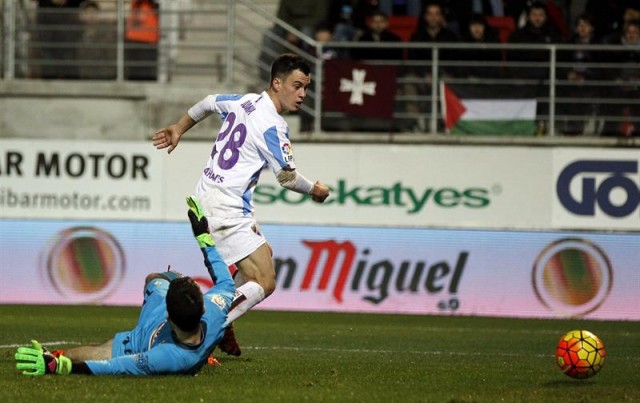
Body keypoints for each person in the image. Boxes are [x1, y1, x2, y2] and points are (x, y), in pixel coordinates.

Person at [152, 53, 331, 356]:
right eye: (297, 86)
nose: (302, 94)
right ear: (277, 83)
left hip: (209, 196)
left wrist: (180, 127)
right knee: (265, 280)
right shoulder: (273, 125)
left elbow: (209, 101)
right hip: (225, 207)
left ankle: (221, 321)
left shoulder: (244, 101)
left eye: (306, 88)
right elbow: (287, 178)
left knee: (261, 259)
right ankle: (201, 333)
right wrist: (315, 190)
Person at [14, 197, 235, 376]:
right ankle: (208, 349)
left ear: (169, 314)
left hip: (140, 341)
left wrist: (60, 367)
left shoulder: (168, 358)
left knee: (100, 351)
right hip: (176, 319)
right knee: (155, 278)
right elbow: (225, 281)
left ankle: (55, 355)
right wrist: (203, 236)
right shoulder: (215, 310)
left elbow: (115, 366)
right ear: (203, 307)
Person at [125, 0, 159, 80]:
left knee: (147, 74)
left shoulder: (150, 5)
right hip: (134, 40)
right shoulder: (137, 4)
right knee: (134, 74)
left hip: (148, 41)